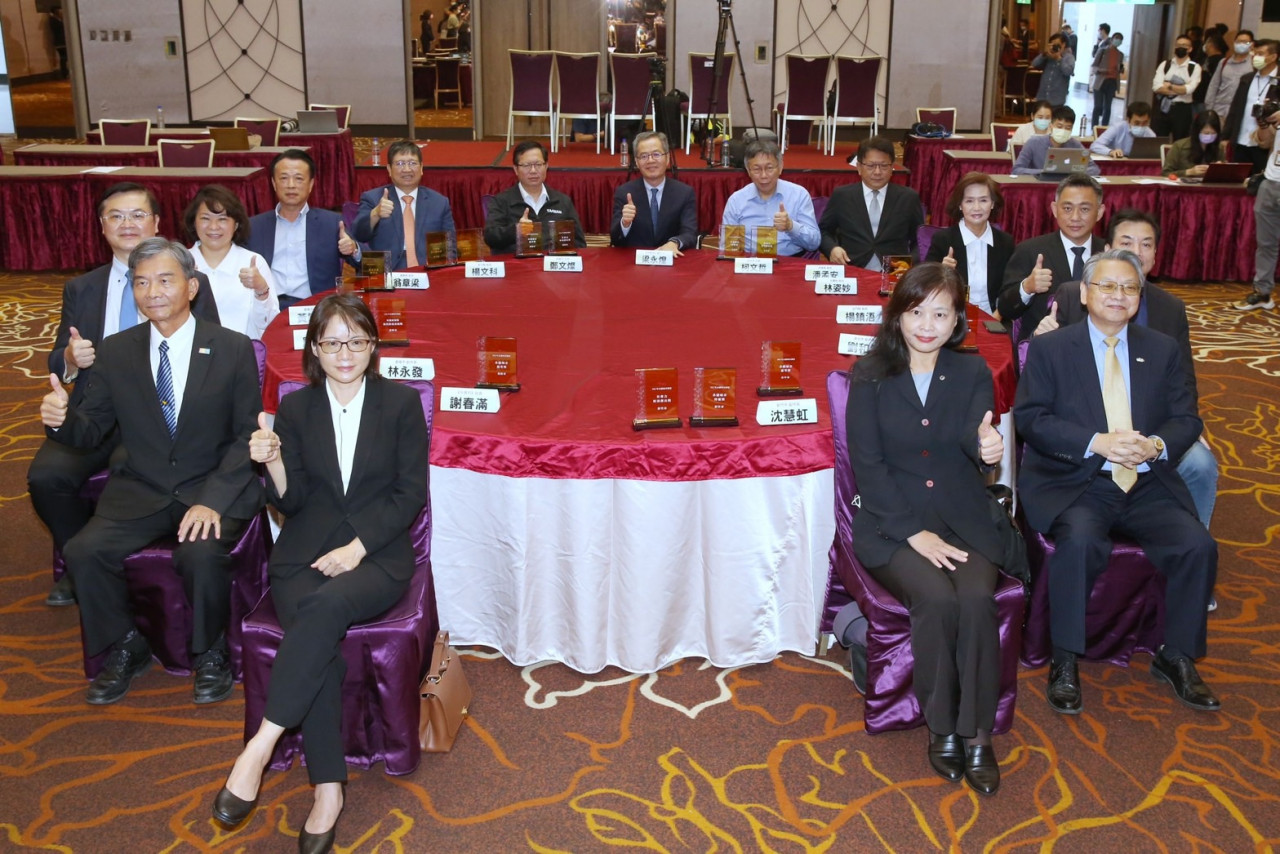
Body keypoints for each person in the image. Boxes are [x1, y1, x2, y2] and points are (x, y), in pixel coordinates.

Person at [211, 294, 428, 853]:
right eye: (332, 342)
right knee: (318, 638)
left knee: (324, 609)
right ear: (314, 348)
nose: (345, 353)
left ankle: (259, 746)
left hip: (376, 555)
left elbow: (409, 494)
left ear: (373, 346)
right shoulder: (297, 408)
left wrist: (357, 548)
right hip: (303, 553)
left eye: (356, 341)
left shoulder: (401, 404)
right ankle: (329, 789)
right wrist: (274, 461)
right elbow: (292, 500)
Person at [41, 238, 263, 706]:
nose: (152, 292)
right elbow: (92, 429)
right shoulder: (117, 351)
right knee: (83, 551)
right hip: (141, 487)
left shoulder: (232, 348)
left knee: (200, 554)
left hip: (209, 485)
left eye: (165, 280)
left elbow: (247, 435)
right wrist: (62, 420)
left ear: (191, 287)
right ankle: (126, 644)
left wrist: (213, 500)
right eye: (141, 283)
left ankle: (211, 652)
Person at [1015, 249, 1220, 716]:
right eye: (1107, 286)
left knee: (1197, 546)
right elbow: (1032, 419)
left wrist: (1156, 445)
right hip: (1079, 480)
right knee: (1080, 542)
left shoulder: (1161, 349)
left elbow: (1186, 417)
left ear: (1139, 297)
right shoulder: (1051, 348)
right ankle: (1065, 657)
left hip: (1146, 482)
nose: (1118, 295)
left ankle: (1176, 654)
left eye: (1129, 287)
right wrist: (1097, 443)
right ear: (1085, 294)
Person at [846, 262, 1007, 795]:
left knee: (977, 599)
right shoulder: (870, 373)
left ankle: (977, 733)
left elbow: (973, 438)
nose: (927, 325)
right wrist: (913, 532)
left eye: (941, 314)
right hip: (892, 524)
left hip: (963, 517)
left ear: (958, 319)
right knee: (936, 599)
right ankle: (942, 727)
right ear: (898, 314)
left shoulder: (972, 372)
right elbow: (868, 464)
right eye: (916, 312)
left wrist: (987, 448)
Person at [30, 183, 221, 608]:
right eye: (116, 216)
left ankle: (131, 565)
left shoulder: (189, 282)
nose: (127, 224)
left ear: (156, 223)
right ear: (102, 226)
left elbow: (212, 348)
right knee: (45, 477)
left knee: (131, 467)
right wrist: (70, 359)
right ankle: (77, 560)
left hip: (166, 415)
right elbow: (57, 358)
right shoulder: (82, 288)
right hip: (96, 414)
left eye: (137, 215)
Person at [1034, 210, 1220, 531]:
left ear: (1155, 255)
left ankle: (1190, 533)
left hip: (1152, 427)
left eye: (1146, 244)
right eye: (1127, 242)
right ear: (1107, 249)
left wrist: (1183, 425)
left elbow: (1185, 380)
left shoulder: (1170, 308)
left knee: (1201, 464)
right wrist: (1039, 335)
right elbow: (1044, 373)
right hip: (1089, 425)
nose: (1137, 251)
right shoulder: (1075, 294)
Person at [999, 173, 1106, 345]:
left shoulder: (1108, 253)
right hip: (1044, 347)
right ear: (1055, 209)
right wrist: (1027, 288)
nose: (1075, 217)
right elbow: (1005, 309)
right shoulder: (1030, 251)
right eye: (1067, 208)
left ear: (1099, 212)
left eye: (1085, 209)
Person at [246, 150, 359, 311]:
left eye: (298, 178)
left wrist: (353, 249)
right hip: (268, 307)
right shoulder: (254, 226)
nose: (291, 185)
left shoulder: (331, 223)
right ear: (274, 183)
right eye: (284, 178)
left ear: (311, 184)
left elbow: (368, 262)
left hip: (316, 308)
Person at [185, 185, 280, 340]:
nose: (213, 227)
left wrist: (261, 289)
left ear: (236, 224)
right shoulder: (179, 263)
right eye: (205, 219)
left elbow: (269, 323)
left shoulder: (253, 262)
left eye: (222, 219)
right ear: (194, 222)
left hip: (242, 351)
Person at [819, 136, 923, 270]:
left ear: (892, 167)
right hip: (852, 268)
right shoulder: (842, 195)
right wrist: (832, 249)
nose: (877, 172)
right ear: (859, 167)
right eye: (871, 166)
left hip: (894, 271)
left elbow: (920, 240)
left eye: (884, 166)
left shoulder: (908, 198)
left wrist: (908, 263)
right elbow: (823, 231)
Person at [353, 140, 456, 271]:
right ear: (389, 169)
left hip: (428, 273)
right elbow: (358, 235)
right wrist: (375, 214)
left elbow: (450, 247)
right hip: (388, 273)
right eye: (400, 164)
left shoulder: (439, 202)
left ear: (421, 168)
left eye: (412, 163)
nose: (407, 169)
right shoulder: (373, 198)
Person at [924, 172, 1014, 317]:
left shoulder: (1005, 242)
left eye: (983, 200)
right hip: (952, 317)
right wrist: (941, 272)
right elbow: (924, 285)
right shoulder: (943, 240)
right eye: (969, 201)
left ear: (992, 203)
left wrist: (997, 317)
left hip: (994, 317)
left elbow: (1010, 288)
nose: (976, 207)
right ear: (960, 205)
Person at [720, 138, 820, 257]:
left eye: (769, 168)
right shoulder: (736, 200)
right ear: (748, 171)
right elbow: (728, 247)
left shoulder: (799, 195)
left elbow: (814, 243)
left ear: (780, 167)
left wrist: (790, 226)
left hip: (789, 262)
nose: (764, 175)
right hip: (750, 263)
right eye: (756, 169)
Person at [483, 140, 587, 254]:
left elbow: (579, 243)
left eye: (538, 164)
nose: (533, 171)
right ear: (516, 169)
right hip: (516, 264)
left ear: (546, 166)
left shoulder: (562, 201)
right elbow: (490, 238)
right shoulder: (501, 201)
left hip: (552, 264)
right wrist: (516, 230)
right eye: (526, 165)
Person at [610, 131, 698, 253]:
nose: (650, 160)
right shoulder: (624, 193)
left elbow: (690, 234)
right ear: (636, 162)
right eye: (644, 156)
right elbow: (615, 240)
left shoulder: (684, 193)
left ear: (667, 158)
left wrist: (675, 243)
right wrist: (625, 224)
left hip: (672, 260)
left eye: (656, 154)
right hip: (634, 261)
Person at [1236, 102, 1280, 311]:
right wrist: (1264, 122)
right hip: (1270, 182)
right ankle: (1262, 292)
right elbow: (1265, 143)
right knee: (1265, 243)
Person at [1223, 39, 1279, 174]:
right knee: (1237, 180)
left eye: (1260, 54)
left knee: (1260, 180)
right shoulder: (1247, 78)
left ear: (1273, 57)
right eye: (1254, 53)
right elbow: (1235, 109)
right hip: (1241, 140)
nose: (1255, 57)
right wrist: (1226, 137)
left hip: (1266, 143)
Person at [1013, 105, 1101, 176]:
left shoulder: (1075, 145)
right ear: (1051, 125)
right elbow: (1017, 170)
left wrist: (1071, 173)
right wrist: (1043, 172)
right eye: (1059, 126)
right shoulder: (1033, 142)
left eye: (1068, 128)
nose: (1063, 130)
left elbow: (1094, 169)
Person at [1152, 36, 1202, 140]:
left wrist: (1170, 86)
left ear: (1190, 49)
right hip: (1163, 107)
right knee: (1158, 139)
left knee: (1180, 141)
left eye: (1184, 45)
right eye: (1178, 45)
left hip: (1182, 110)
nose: (1180, 47)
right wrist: (1180, 89)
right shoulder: (1165, 64)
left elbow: (1189, 90)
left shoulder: (1195, 67)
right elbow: (1156, 87)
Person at [1204, 30, 1255, 120]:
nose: (1241, 44)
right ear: (1234, 43)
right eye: (1239, 41)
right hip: (1219, 110)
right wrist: (1209, 108)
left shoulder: (1253, 64)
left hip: (1240, 112)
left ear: (1252, 45)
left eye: (1245, 42)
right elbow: (1214, 85)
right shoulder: (1224, 62)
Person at [1163, 109, 1225, 178]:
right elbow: (1165, 173)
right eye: (1206, 133)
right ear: (1197, 131)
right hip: (1185, 184)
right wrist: (1189, 172)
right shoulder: (1179, 146)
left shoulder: (1219, 147)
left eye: (1213, 133)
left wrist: (1220, 170)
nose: (1209, 136)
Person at [1090, 101, 1156, 158]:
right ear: (1128, 120)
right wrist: (1111, 152)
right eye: (1137, 123)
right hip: (1115, 164)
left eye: (1144, 123)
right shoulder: (1117, 128)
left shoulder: (1151, 135)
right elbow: (1095, 146)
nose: (1141, 126)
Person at [1089, 31, 1125, 129]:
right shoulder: (1103, 51)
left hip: (1112, 82)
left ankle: (1104, 128)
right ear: (1112, 39)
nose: (1118, 41)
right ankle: (1094, 127)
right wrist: (1104, 70)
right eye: (1117, 38)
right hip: (1100, 81)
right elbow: (1094, 66)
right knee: (1098, 106)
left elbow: (1120, 67)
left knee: (1108, 107)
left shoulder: (1120, 54)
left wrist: (1121, 69)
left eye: (1120, 40)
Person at [1032, 33, 1075, 106]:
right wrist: (1044, 54)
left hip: (1057, 100)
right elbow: (1034, 64)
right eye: (1052, 45)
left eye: (1057, 45)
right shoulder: (1047, 56)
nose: (1055, 47)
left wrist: (1058, 58)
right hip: (1042, 97)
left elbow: (1068, 72)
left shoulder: (1068, 57)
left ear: (1063, 45)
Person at [1195, 34, 1228, 109]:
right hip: (1198, 99)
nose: (1205, 45)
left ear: (1211, 44)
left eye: (1206, 42)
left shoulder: (1220, 61)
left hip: (1206, 100)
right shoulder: (1205, 59)